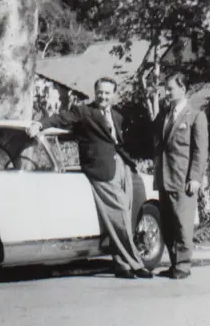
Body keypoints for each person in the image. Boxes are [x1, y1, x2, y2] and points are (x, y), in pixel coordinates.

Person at [28, 77, 151, 279]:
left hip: (120, 165)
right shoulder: (84, 112)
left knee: (124, 215)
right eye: (100, 92)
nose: (103, 96)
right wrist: (40, 124)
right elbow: (61, 118)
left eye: (107, 93)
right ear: (95, 92)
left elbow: (119, 142)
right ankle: (135, 263)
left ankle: (121, 265)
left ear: (113, 94)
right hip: (100, 169)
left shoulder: (117, 116)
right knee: (119, 214)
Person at [141, 69, 209, 279]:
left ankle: (183, 266)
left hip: (183, 179)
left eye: (170, 89)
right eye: (165, 89)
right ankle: (174, 264)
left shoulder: (196, 116)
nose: (166, 93)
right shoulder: (164, 115)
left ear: (183, 89)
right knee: (169, 224)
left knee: (182, 224)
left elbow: (200, 150)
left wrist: (195, 178)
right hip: (164, 178)